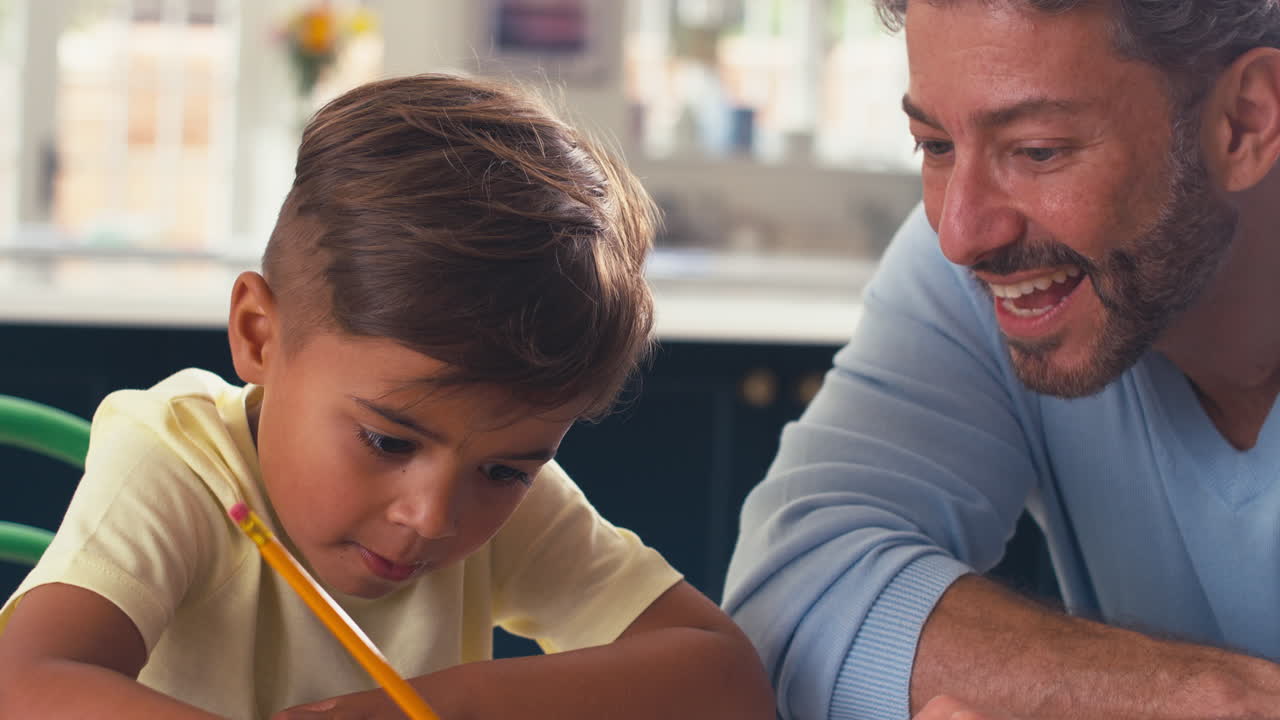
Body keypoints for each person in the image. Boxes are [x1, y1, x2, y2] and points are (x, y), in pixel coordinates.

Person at [0, 73, 773, 719]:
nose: (433, 516)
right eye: (388, 442)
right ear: (260, 335)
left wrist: (448, 702)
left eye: (505, 471)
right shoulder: (180, 464)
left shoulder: (500, 499)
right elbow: (24, 682)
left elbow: (725, 678)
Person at [723, 1, 1280, 718]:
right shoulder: (999, 282)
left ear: (1245, 122)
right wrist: (1209, 700)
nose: (960, 234)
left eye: (1038, 150)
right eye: (934, 145)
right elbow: (791, 600)